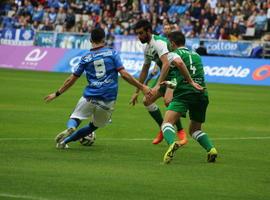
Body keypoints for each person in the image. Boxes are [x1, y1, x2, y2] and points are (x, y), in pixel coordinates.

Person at [44, 27, 150, 149]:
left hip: (89, 96)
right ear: (104, 39)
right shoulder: (112, 53)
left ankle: (71, 127)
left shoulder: (85, 58)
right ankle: (65, 141)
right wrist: (142, 87)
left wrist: (56, 93)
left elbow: (71, 79)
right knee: (93, 126)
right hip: (108, 99)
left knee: (75, 117)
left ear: (90, 40)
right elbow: (124, 74)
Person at [130, 19, 202, 145]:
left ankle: (180, 131)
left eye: (141, 33)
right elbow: (144, 69)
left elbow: (167, 63)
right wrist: (137, 90)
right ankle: (163, 129)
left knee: (168, 101)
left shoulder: (159, 42)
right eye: (137, 33)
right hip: (166, 76)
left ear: (148, 31)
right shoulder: (147, 48)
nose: (139, 36)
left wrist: (158, 84)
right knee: (147, 100)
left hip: (175, 75)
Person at [159, 31, 218, 164]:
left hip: (185, 94)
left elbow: (179, 63)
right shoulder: (196, 55)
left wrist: (190, 81)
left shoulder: (173, 54)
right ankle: (211, 149)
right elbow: (187, 75)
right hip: (202, 94)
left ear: (172, 43)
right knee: (195, 130)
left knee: (167, 123)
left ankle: (172, 143)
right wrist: (170, 83)